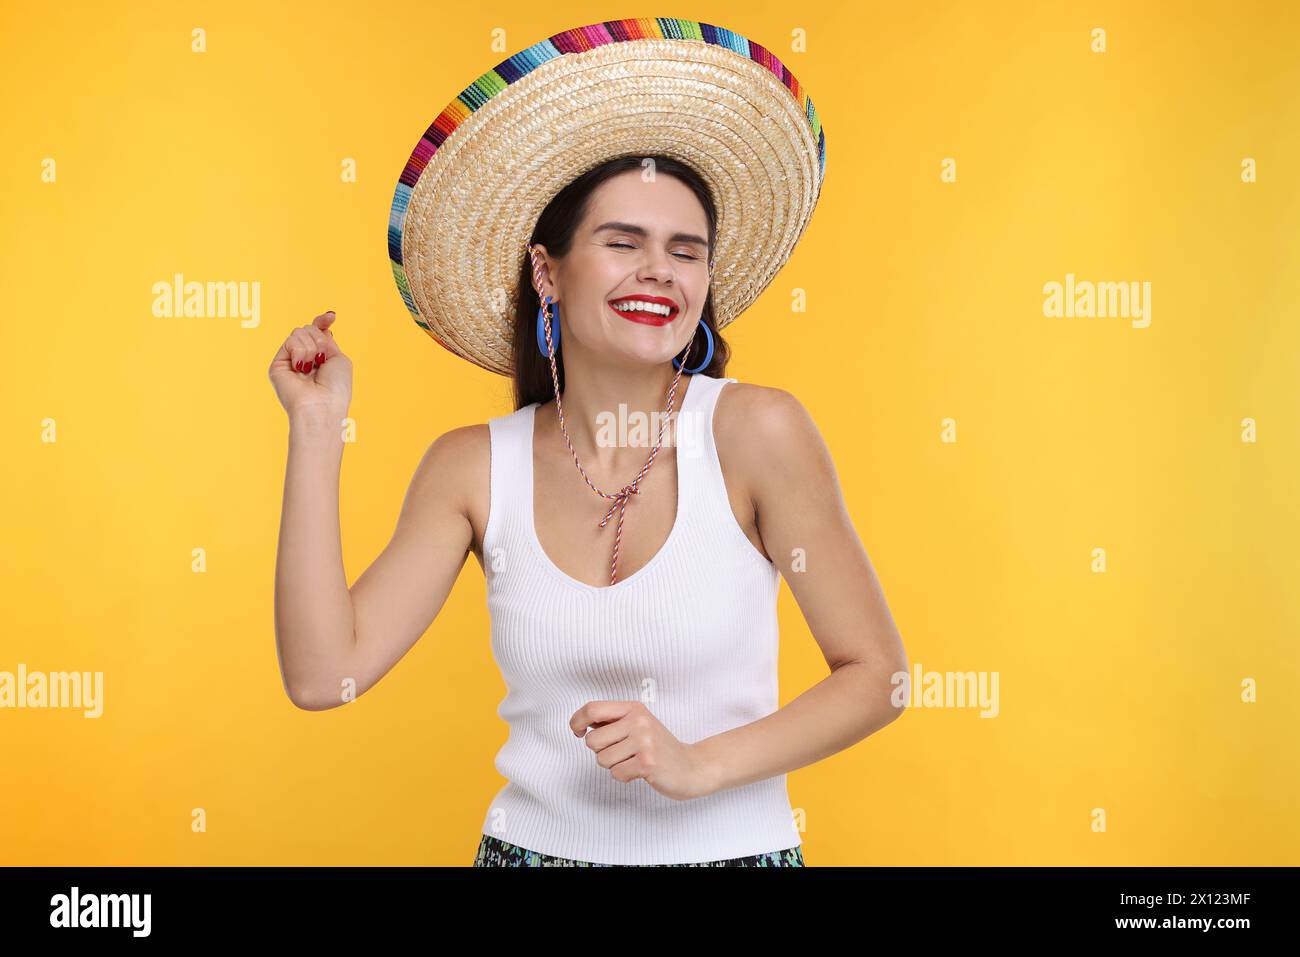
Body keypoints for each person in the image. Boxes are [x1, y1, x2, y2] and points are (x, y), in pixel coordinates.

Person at [268, 17, 908, 867]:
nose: (660, 272)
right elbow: (322, 676)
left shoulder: (756, 431)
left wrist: (699, 763)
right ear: (547, 272)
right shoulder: (471, 466)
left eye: (687, 252)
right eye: (623, 243)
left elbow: (877, 675)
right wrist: (316, 431)